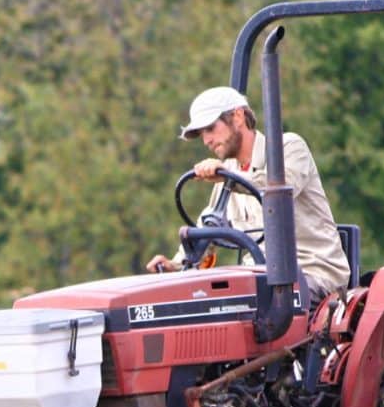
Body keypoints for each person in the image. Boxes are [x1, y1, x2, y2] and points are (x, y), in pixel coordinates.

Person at [145, 86, 350, 307]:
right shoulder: (228, 175)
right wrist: (175, 266)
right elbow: (208, 228)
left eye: (211, 129)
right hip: (259, 278)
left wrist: (229, 178)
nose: (206, 140)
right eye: (202, 134)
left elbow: (280, 191)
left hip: (313, 273)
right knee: (203, 301)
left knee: (246, 304)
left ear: (238, 116)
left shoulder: (288, 148)